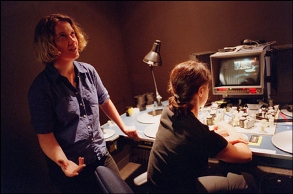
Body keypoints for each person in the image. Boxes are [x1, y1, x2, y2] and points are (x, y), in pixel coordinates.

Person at [28, 13, 139, 193]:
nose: (72, 40)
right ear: (49, 44)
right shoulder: (41, 89)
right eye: (63, 36)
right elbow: (45, 136)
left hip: (101, 154)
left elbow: (104, 101)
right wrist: (64, 163)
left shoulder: (89, 71)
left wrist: (123, 127)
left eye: (72, 34)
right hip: (72, 167)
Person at [147, 60, 259, 193]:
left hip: (157, 187)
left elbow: (189, 140)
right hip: (182, 190)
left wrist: (219, 139)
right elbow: (246, 155)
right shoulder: (200, 134)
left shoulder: (169, 110)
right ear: (201, 91)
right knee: (248, 179)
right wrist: (231, 130)